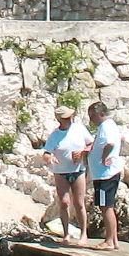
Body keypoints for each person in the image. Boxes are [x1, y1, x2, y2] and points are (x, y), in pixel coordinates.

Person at [35, 103, 90, 242]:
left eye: (70, 117)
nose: (69, 119)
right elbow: (46, 153)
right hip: (60, 172)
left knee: (79, 203)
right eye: (66, 118)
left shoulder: (79, 129)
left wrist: (83, 151)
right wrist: (50, 158)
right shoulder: (55, 135)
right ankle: (66, 234)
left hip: (78, 170)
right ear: (60, 119)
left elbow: (91, 143)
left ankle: (84, 234)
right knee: (64, 202)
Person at [85, 100, 125, 252]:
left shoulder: (106, 127)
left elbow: (110, 144)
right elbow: (119, 139)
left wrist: (103, 158)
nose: (91, 120)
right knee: (108, 206)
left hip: (105, 175)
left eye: (92, 116)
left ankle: (109, 241)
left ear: (101, 114)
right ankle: (113, 240)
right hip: (107, 174)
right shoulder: (110, 126)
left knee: (105, 206)